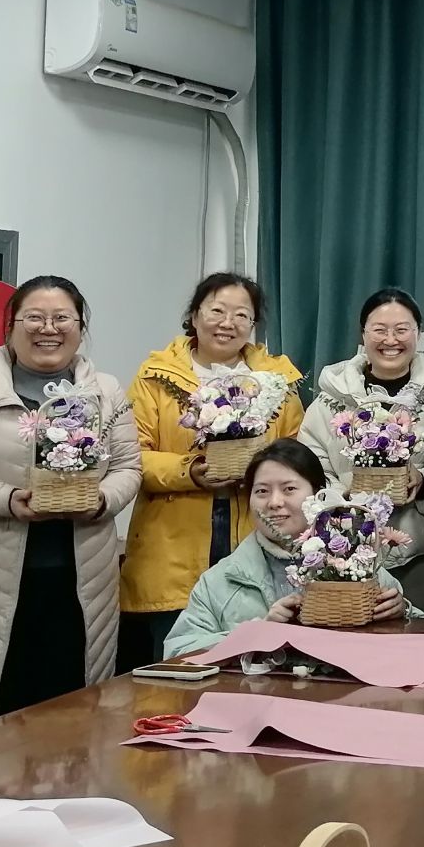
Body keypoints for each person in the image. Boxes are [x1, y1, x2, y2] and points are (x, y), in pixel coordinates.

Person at [0, 276, 141, 718]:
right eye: (34, 318)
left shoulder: (106, 392)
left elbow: (128, 469)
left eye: (62, 318)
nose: (48, 329)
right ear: (11, 327)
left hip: (81, 582)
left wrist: (101, 500)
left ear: (80, 328)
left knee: (72, 708)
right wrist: (5, 499)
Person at [118, 272, 304, 671]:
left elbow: (297, 454)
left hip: (254, 534)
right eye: (217, 311)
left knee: (257, 660)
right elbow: (131, 456)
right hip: (172, 541)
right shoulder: (155, 377)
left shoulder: (277, 382)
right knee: (181, 666)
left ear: (253, 324)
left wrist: (264, 476)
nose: (227, 323)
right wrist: (189, 470)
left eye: (241, 315)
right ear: (194, 315)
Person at [164, 440, 411, 657]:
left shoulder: (357, 565)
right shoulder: (221, 580)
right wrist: (257, 634)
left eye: (289, 489)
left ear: (318, 495)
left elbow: (415, 638)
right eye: (261, 491)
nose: (274, 502)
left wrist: (401, 612)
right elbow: (178, 651)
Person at [297, 288, 424, 618]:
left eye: (402, 329)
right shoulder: (328, 402)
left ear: (418, 333)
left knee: (418, 638)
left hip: (422, 554)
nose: (391, 340)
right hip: (343, 553)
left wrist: (422, 479)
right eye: (380, 330)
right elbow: (310, 469)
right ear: (363, 334)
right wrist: (343, 498)